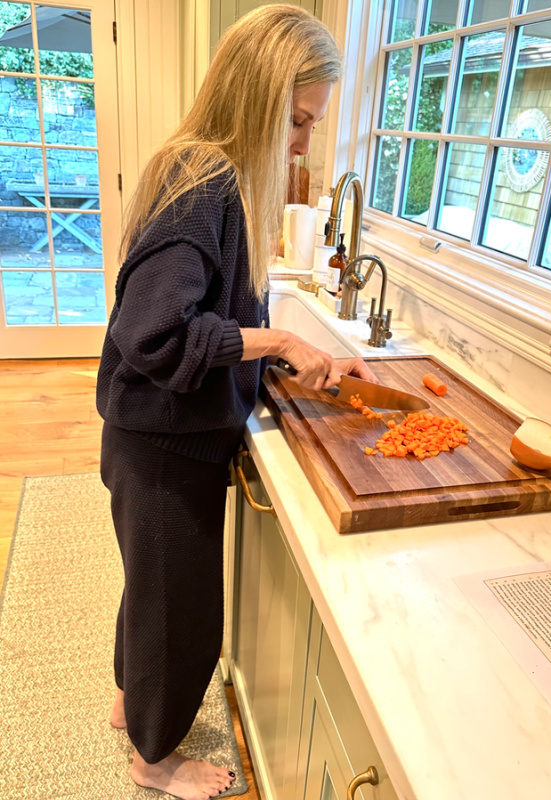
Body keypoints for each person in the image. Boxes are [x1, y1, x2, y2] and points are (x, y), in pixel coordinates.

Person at [96, 5, 378, 800]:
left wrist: (280, 351)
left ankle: (132, 702)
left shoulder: (202, 169)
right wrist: (278, 344)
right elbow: (154, 333)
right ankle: (155, 761)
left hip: (148, 434)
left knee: (150, 586)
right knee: (180, 611)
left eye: (312, 124)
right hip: (162, 442)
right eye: (296, 120)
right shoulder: (207, 186)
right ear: (256, 96)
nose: (301, 143)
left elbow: (206, 317)